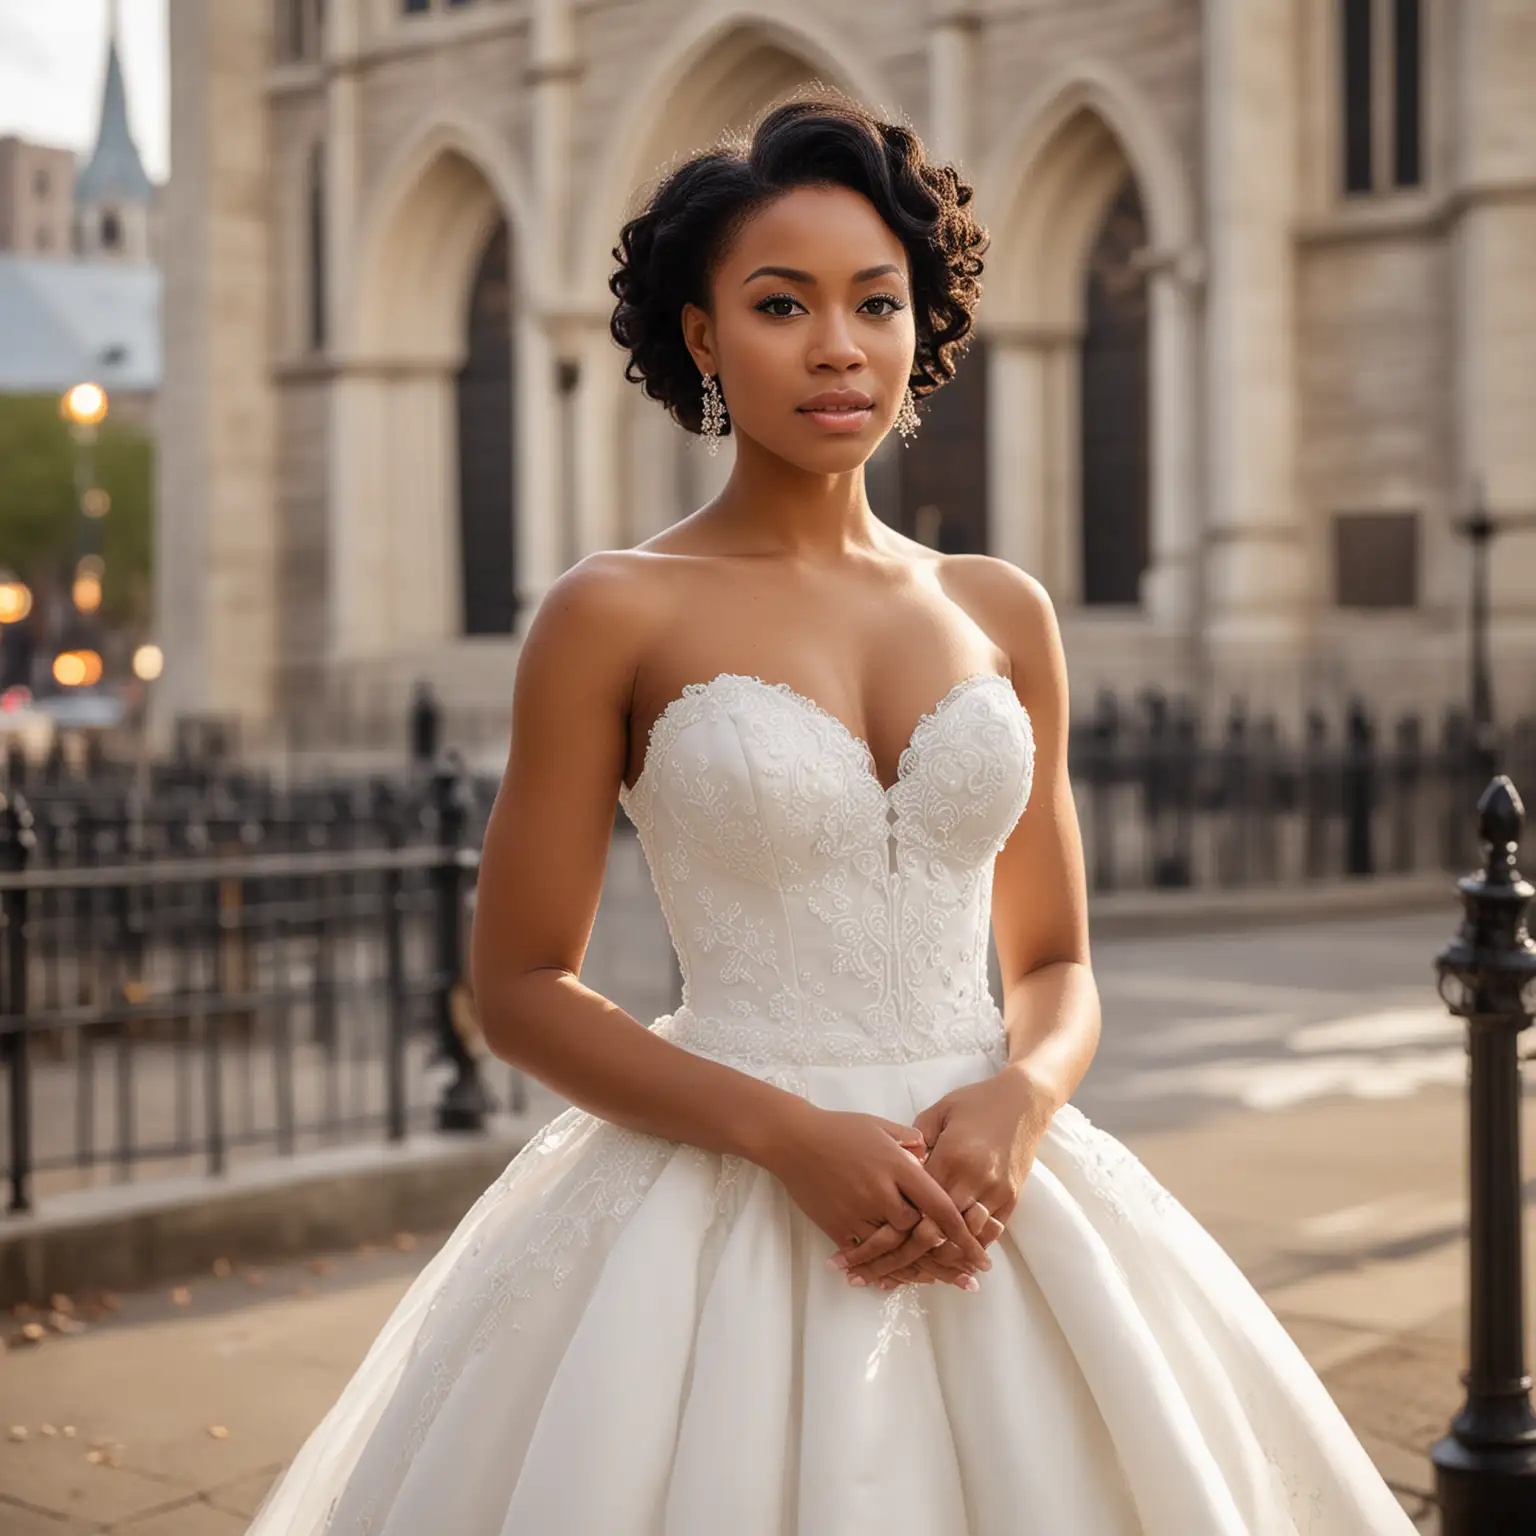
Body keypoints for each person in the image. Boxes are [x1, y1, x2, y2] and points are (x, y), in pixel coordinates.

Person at [249, 95, 1417, 1535]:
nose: (837, 346)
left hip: (992, 1188)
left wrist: (1022, 1096)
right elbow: (519, 987)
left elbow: (1052, 962)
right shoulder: (613, 608)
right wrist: (790, 1136)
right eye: (781, 304)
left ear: (921, 323)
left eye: (875, 301)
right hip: (714, 1197)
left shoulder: (1001, 609)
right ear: (702, 336)